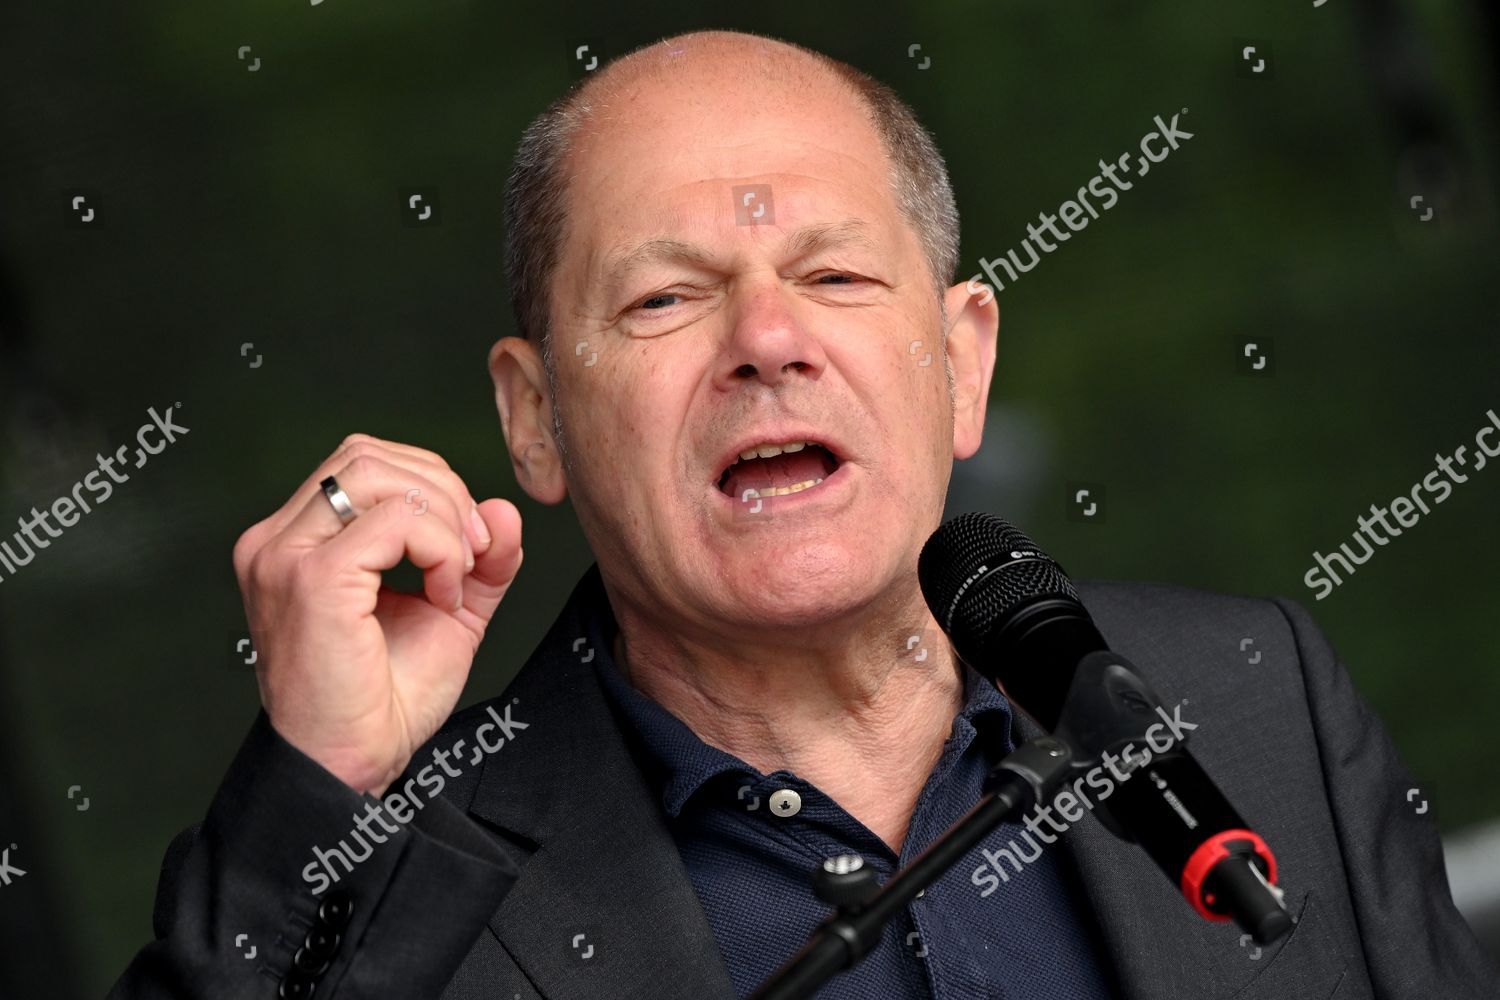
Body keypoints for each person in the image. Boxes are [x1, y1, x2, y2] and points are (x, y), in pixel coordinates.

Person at [109, 29, 1498, 1000]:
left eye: (834, 278)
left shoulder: (1255, 703)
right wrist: (317, 787)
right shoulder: (392, 891)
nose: (767, 339)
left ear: (964, 363)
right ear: (533, 419)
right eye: (663, 299)